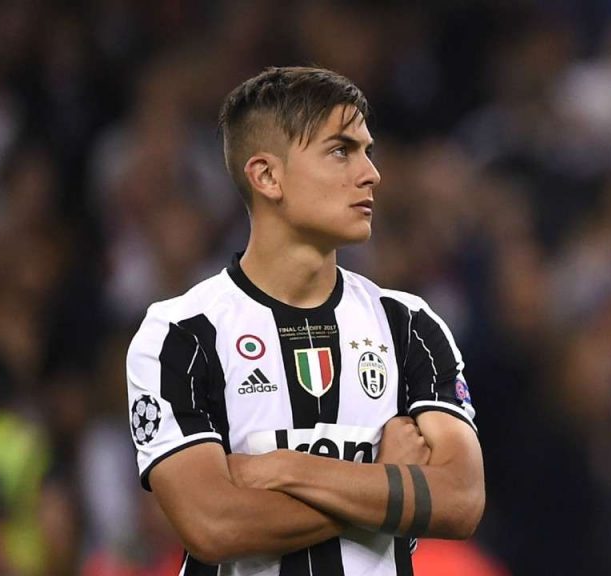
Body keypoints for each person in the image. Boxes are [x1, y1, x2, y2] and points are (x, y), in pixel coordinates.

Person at [125, 66, 484, 575]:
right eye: (341, 151)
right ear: (267, 176)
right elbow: (214, 525)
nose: (371, 173)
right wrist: (384, 478)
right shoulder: (180, 335)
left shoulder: (409, 326)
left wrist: (287, 468)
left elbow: (461, 499)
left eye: (367, 151)